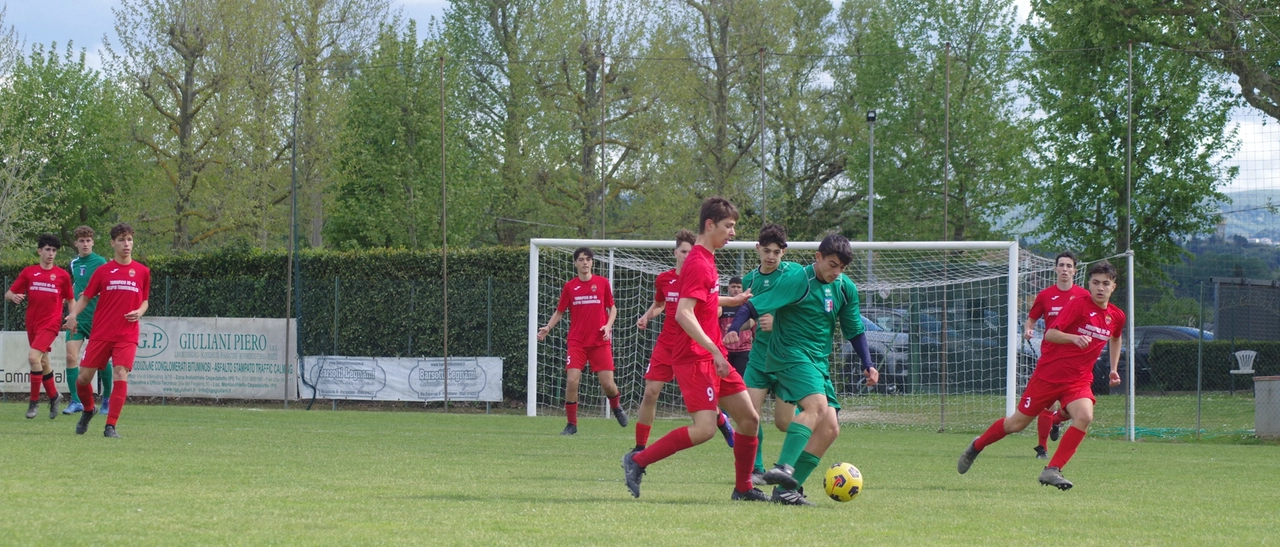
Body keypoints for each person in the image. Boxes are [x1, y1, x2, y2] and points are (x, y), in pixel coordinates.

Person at [621, 197, 767, 502]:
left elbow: (705, 305)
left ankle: (743, 488)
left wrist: (733, 302)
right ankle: (637, 460)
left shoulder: (707, 258)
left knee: (750, 420)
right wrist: (714, 351)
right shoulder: (700, 262)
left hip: (712, 357)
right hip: (696, 358)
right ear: (710, 225)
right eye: (729, 226)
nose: (733, 232)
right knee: (704, 430)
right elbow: (682, 313)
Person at [724, 233, 879, 505]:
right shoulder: (798, 279)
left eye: (842, 267)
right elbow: (753, 305)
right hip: (789, 354)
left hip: (818, 361)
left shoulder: (845, 287)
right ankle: (782, 468)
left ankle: (786, 491)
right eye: (832, 265)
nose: (837, 272)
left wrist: (868, 363)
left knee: (830, 429)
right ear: (818, 257)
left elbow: (854, 329)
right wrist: (734, 328)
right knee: (815, 406)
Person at [958, 260, 1125, 490]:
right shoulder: (1078, 305)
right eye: (1095, 282)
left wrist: (1114, 368)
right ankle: (976, 446)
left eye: (1105, 283)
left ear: (1113, 286)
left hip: (1078, 380)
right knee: (1015, 425)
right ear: (1089, 284)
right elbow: (1050, 334)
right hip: (1048, 377)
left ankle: (1052, 469)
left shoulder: (1116, 315)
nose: (1100, 288)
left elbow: (1116, 338)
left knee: (1085, 416)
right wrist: (1073, 338)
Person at [633, 229, 735, 452]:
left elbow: (712, 303)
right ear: (675, 253)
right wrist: (647, 315)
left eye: (691, 252)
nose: (687, 256)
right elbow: (660, 304)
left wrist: (728, 305)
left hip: (691, 347)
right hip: (667, 344)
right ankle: (640, 447)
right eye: (683, 251)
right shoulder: (664, 279)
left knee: (701, 403)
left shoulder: (697, 275)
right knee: (650, 392)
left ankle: (721, 421)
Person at [65, 223, 151, 439]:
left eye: (129, 239)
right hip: (101, 333)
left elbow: (145, 301)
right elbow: (85, 297)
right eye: (121, 239)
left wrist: (140, 311)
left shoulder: (142, 271)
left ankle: (110, 426)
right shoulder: (103, 271)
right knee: (83, 379)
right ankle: (88, 409)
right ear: (113, 243)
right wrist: (73, 315)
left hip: (127, 334)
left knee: (121, 372)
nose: (126, 244)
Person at [737, 223, 802, 484]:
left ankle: (811, 426)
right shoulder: (749, 280)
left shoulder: (794, 274)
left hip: (785, 359)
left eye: (776, 252)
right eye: (766, 251)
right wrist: (732, 328)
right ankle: (757, 468)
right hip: (759, 359)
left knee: (785, 423)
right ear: (757, 250)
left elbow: (801, 314)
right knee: (748, 415)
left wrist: (778, 324)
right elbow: (748, 318)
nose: (771, 256)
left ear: (784, 253)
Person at [537, 247, 625, 435]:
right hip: (577, 342)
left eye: (588, 259)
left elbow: (613, 308)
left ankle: (616, 407)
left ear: (592, 262)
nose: (585, 262)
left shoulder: (602, 283)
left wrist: (608, 326)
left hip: (600, 341)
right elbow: (559, 311)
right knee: (572, 381)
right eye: (581, 259)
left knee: (608, 385)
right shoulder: (570, 287)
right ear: (575, 263)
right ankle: (572, 425)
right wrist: (547, 328)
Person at [1024, 251, 1089, 459]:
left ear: (1074, 271)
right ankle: (1042, 448)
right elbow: (1031, 318)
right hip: (1050, 356)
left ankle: (1057, 421)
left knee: (1073, 406)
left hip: (1074, 359)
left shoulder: (1083, 296)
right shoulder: (1045, 295)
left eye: (1069, 266)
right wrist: (1028, 329)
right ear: (1055, 269)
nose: (1065, 269)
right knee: (1048, 403)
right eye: (1061, 265)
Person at [6, 234, 74, 419]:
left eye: (54, 250)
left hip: (51, 323)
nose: (51, 254)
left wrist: (72, 316)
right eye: (47, 250)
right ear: (39, 251)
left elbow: (70, 299)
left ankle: (33, 402)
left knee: (33, 357)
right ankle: (54, 396)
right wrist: (14, 297)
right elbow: (9, 293)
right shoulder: (29, 272)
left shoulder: (62, 275)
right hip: (32, 322)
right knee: (43, 362)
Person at [62, 226, 112, 415]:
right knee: (70, 357)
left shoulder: (100, 262)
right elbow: (72, 290)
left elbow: (109, 287)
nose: (85, 244)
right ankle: (77, 401)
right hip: (78, 318)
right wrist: (71, 312)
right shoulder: (74, 263)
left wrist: (94, 293)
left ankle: (107, 398)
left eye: (88, 240)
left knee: (101, 361)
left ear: (93, 242)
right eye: (81, 241)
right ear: (76, 243)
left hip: (98, 318)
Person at [719, 276, 753, 377]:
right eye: (733, 286)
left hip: (744, 350)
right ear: (728, 288)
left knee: (741, 381)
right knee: (724, 381)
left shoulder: (748, 306)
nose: (736, 289)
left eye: (738, 287)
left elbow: (754, 326)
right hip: (725, 350)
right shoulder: (722, 306)